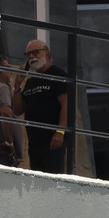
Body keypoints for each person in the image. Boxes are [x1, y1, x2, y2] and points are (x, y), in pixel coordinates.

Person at [18, 40, 72, 174]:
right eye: (28, 54)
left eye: (35, 52)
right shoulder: (30, 81)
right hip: (34, 142)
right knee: (38, 181)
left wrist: (60, 131)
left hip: (53, 139)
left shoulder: (58, 74)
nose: (31, 56)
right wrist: (17, 85)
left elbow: (67, 104)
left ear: (47, 54)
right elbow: (18, 110)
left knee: (54, 179)